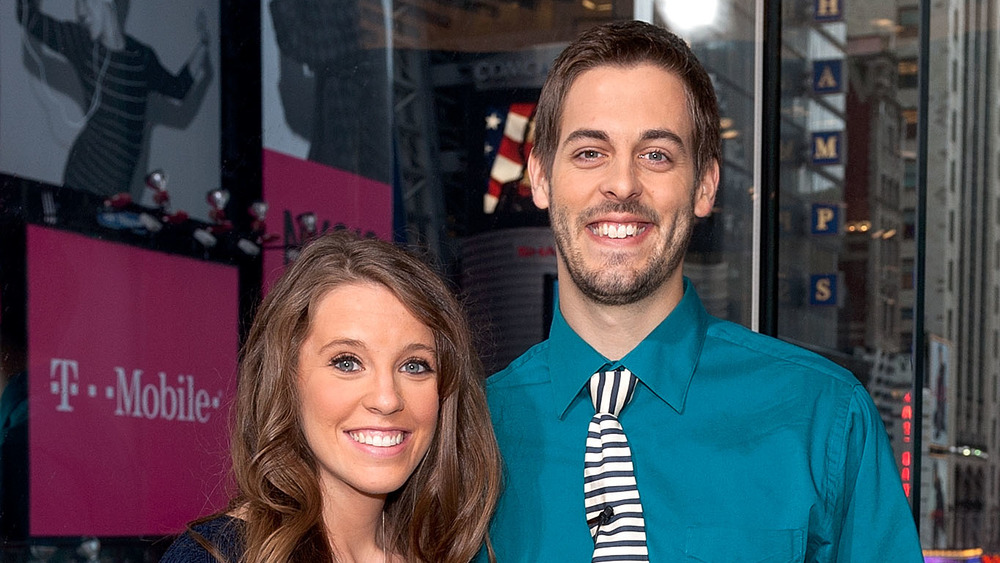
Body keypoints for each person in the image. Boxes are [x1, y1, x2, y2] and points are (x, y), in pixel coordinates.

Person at [483, 20, 924, 562]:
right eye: (590, 152)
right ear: (542, 178)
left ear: (705, 185)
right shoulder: (470, 432)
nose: (622, 184)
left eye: (657, 155)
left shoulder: (823, 418)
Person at [161, 231, 502, 562]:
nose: (387, 399)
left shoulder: (450, 553)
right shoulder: (217, 556)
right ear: (286, 382)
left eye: (414, 366)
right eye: (347, 362)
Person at [16, 0, 211, 199]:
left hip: (118, 187)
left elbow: (179, 89)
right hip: (82, 179)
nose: (80, 11)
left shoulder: (141, 57)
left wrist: (204, 44)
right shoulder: (82, 43)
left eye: (85, 1)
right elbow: (27, 16)